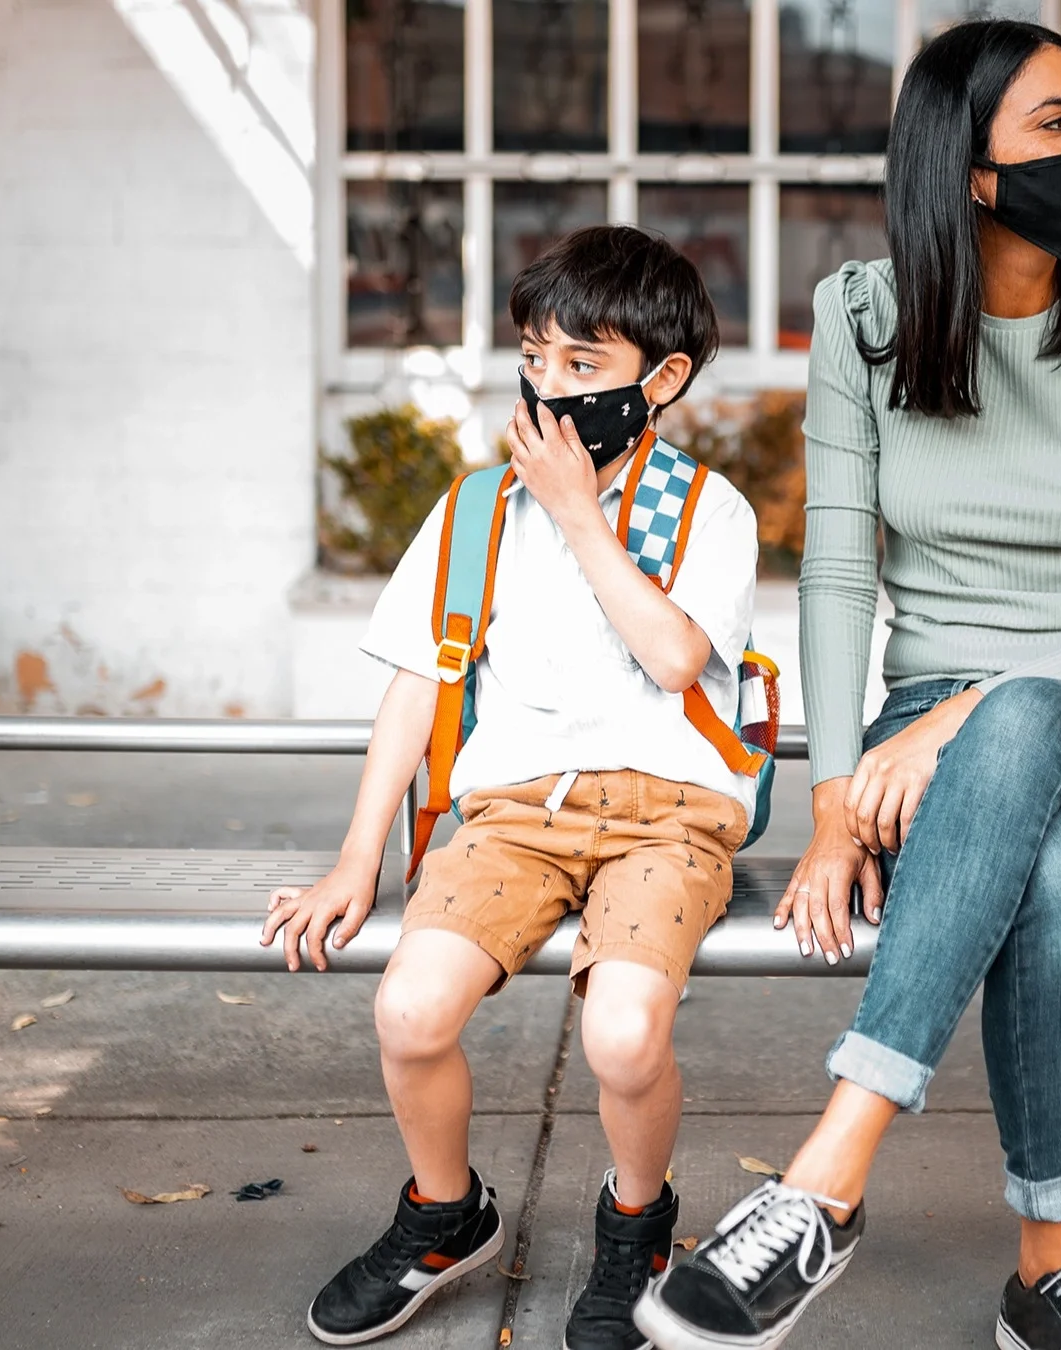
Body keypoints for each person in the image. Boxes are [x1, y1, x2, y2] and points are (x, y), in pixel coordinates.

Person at [635, 21, 1061, 1350]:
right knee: (1059, 871)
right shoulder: (862, 320)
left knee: (1028, 735)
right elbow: (838, 575)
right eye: (1059, 123)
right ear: (970, 173)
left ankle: (827, 1176)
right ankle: (1054, 1267)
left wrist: (970, 712)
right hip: (936, 755)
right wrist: (837, 797)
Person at [264, 224, 760, 1350]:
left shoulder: (709, 510)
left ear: (662, 379)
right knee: (407, 1009)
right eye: (537, 360)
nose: (550, 389)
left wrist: (583, 514)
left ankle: (638, 1225)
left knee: (626, 1037)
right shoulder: (478, 510)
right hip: (510, 817)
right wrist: (358, 857)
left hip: (664, 819)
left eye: (585, 367)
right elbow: (415, 690)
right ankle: (446, 1215)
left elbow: (678, 660)